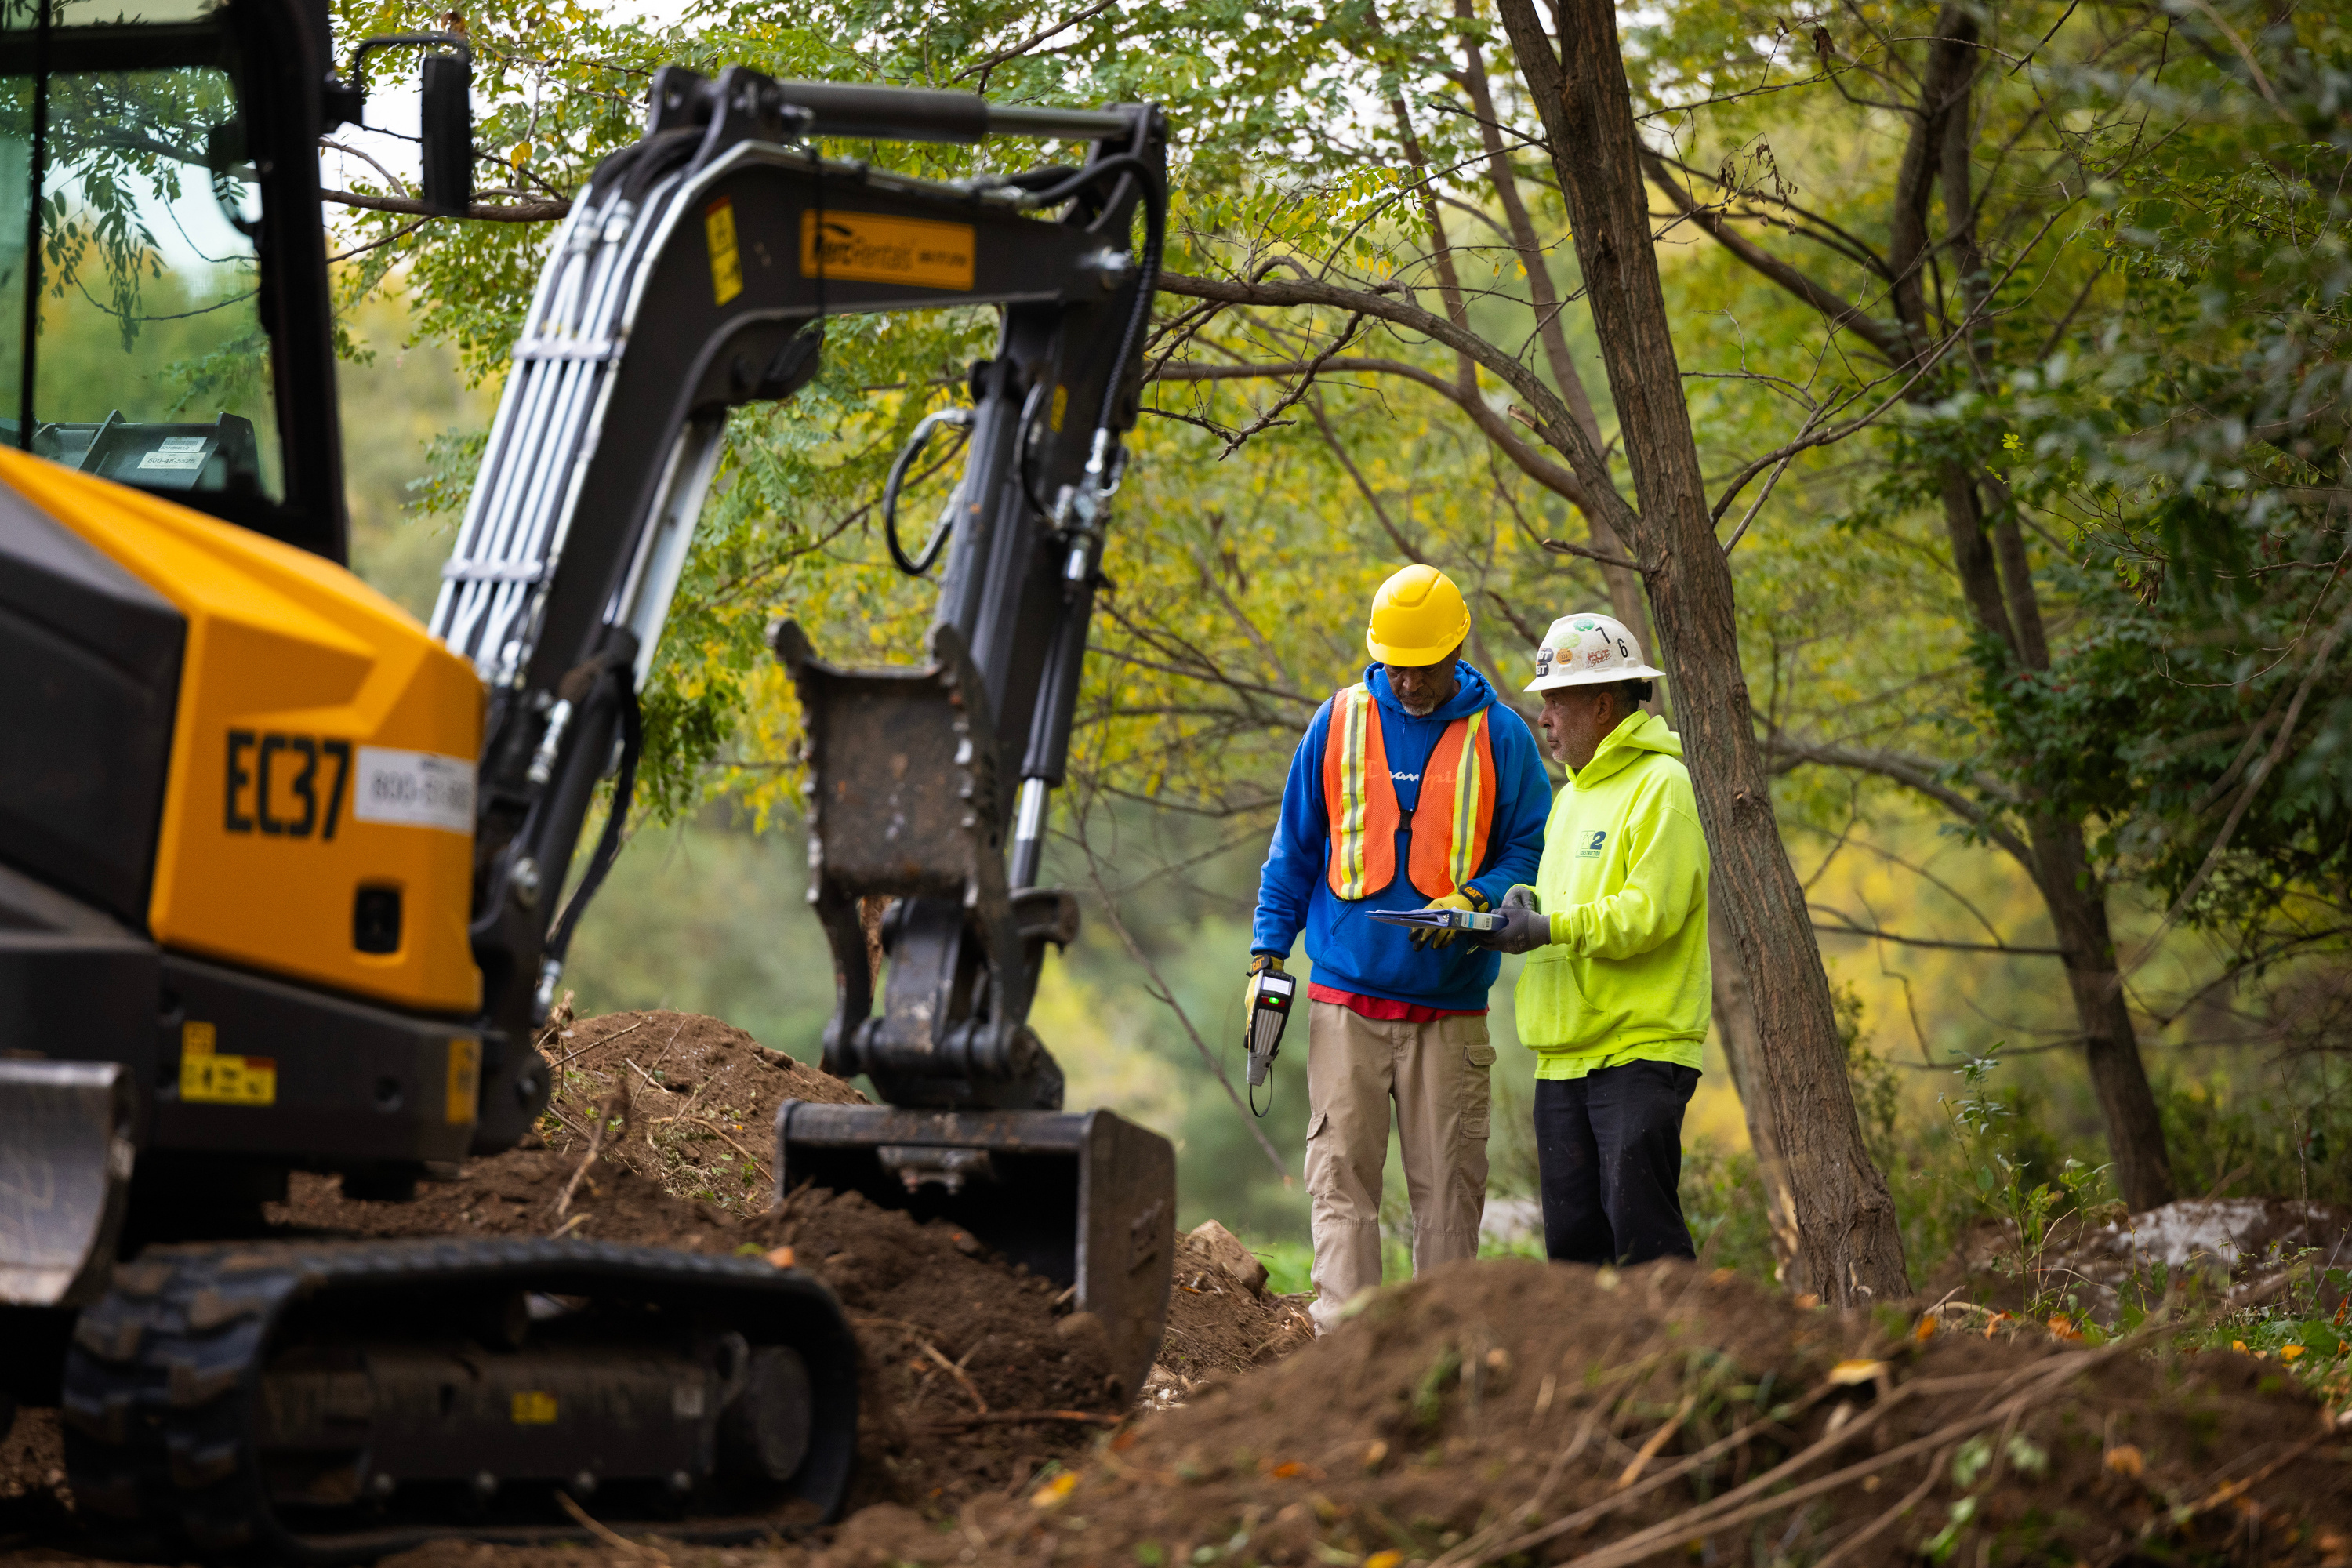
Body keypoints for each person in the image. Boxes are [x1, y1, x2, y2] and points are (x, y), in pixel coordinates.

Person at [1250, 564, 1550, 1333]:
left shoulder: (1504, 736)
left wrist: (1475, 898)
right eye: (1398, 663)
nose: (1410, 680)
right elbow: (1294, 849)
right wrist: (1267, 952)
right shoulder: (1336, 721)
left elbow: (1531, 847)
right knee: (1339, 1175)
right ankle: (1343, 1339)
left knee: (1448, 1186)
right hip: (1342, 1001)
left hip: (1449, 1010)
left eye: (1426, 664)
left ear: (1457, 649)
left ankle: (1438, 1347)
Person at [1476, 612, 1711, 1266]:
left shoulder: (1664, 787)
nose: (1544, 719)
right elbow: (1574, 906)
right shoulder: (1573, 799)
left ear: (1603, 704)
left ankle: (1676, 1367)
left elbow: (1648, 914)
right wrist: (1528, 906)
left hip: (1637, 1052)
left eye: (1555, 702)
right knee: (1575, 1260)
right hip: (1565, 1058)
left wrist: (1548, 927)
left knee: (1646, 1247)